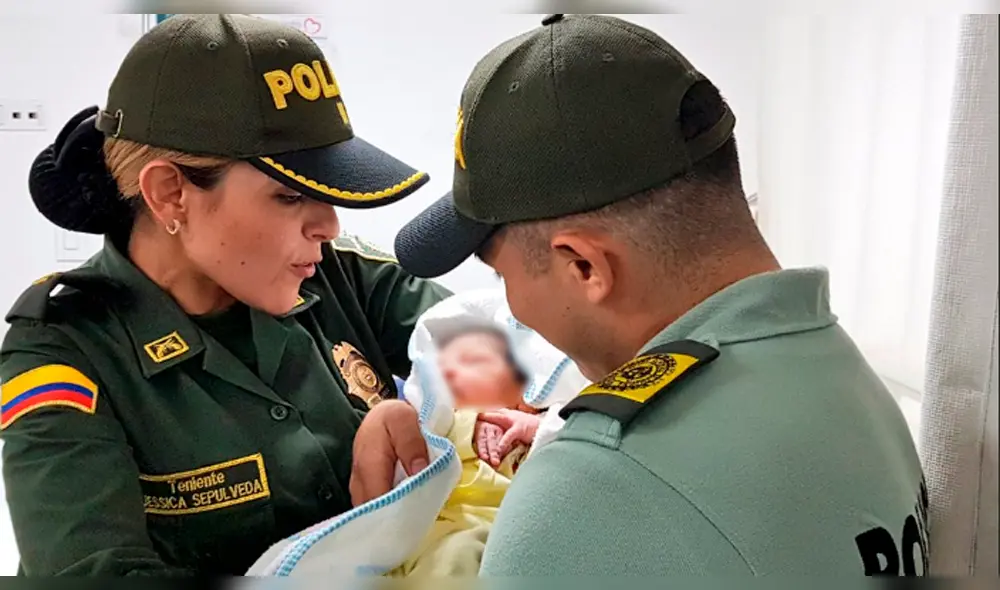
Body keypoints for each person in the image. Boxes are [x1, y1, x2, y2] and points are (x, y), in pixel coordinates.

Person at [394, 14, 929, 576]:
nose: (515, 308)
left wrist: (585, 470)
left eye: (502, 276)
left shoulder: (581, 499)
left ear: (584, 266)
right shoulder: (850, 381)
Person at [0, 14, 449, 576]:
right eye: (290, 196)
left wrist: (419, 416)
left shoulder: (341, 274)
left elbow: (506, 350)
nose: (329, 226)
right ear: (170, 193)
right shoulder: (64, 350)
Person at [387, 326, 544, 577]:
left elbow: (566, 437)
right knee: (452, 555)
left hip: (509, 522)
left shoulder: (546, 423)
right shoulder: (457, 416)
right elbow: (435, 442)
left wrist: (536, 427)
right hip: (453, 517)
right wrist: (472, 425)